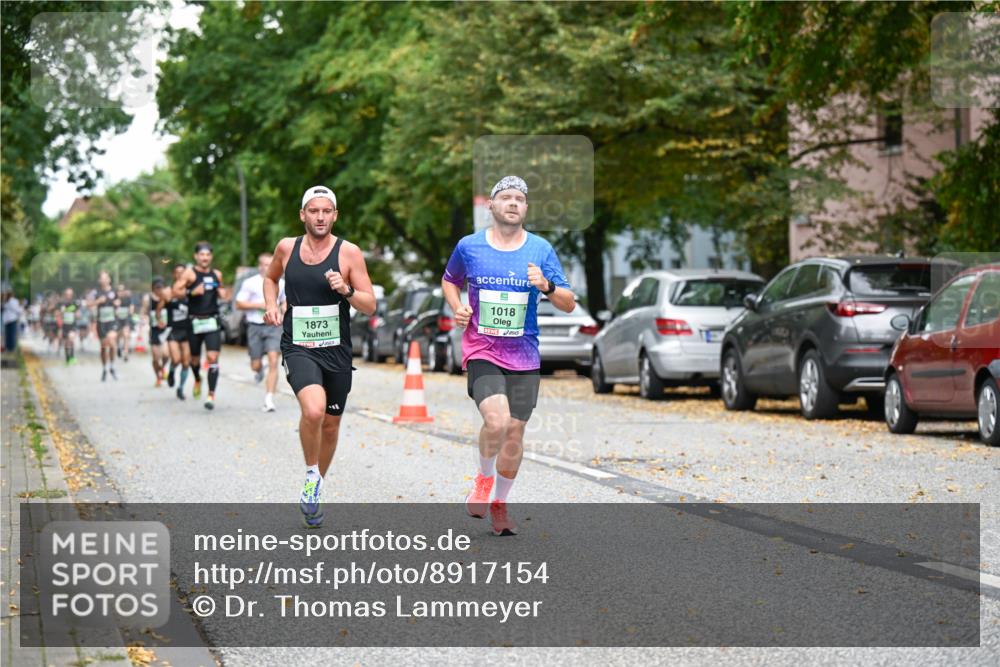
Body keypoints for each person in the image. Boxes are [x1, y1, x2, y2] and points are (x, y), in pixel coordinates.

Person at [441, 175, 575, 536]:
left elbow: (568, 303)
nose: (513, 203)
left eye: (520, 198)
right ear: (492, 205)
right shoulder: (469, 246)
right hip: (482, 350)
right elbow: (450, 280)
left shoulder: (541, 250)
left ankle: (500, 504)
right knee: (497, 421)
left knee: (514, 433)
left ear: (526, 208)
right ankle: (484, 479)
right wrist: (457, 307)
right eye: (506, 197)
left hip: (525, 357)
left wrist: (546, 285)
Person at [263, 185, 377, 528]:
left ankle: (315, 485)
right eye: (314, 210)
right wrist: (271, 304)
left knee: (330, 424)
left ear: (335, 215)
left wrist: (347, 290)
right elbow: (270, 279)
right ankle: (311, 472)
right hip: (298, 345)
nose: (320, 217)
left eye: (327, 211)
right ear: (303, 215)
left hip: (337, 350)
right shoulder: (287, 247)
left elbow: (370, 304)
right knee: (313, 410)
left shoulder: (349, 253)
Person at [173, 243, 229, 410]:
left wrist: (222, 293)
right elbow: (175, 291)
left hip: (212, 321)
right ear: (196, 256)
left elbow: (222, 292)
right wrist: (191, 292)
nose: (205, 258)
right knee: (194, 360)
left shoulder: (216, 274)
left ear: (211, 257)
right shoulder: (189, 273)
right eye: (202, 255)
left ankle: (211, 395)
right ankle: (197, 378)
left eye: (207, 255)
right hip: (194, 322)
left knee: (212, 357)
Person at [236, 252, 286, 412]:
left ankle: (269, 399)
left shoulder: (282, 283)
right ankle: (258, 370)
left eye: (270, 264)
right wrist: (259, 305)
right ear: (259, 266)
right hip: (255, 326)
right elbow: (238, 304)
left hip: (274, 326)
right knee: (255, 364)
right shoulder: (250, 283)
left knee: (273, 360)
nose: (267, 267)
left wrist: (284, 310)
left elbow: (284, 301)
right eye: (264, 264)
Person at [165, 264, 193, 400]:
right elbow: (163, 302)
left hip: (187, 331)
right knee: (176, 360)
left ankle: (181, 388)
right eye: (178, 272)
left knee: (186, 363)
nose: (180, 275)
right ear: (174, 275)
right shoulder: (169, 291)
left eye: (183, 272)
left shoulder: (190, 292)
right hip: (173, 330)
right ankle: (171, 371)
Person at [92, 271, 120, 381]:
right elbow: (88, 304)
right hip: (101, 322)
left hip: (112, 321)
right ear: (99, 280)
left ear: (109, 279)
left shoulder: (114, 291)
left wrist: (118, 303)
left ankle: (112, 366)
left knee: (111, 341)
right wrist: (98, 301)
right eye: (102, 278)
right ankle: (104, 368)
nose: (104, 280)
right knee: (104, 347)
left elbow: (119, 302)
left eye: (105, 278)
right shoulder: (96, 292)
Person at [148, 278, 170, 387]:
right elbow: (143, 312)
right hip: (154, 331)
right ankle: (158, 377)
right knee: (156, 358)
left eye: (161, 288)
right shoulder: (148, 300)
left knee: (166, 354)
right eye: (157, 288)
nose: (159, 290)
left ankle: (162, 369)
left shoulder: (167, 298)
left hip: (165, 331)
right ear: (153, 289)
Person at [58, 287, 81, 365]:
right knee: (66, 343)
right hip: (64, 325)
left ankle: (72, 357)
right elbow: (58, 315)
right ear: (65, 295)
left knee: (71, 339)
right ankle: (67, 358)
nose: (68, 296)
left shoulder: (75, 303)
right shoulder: (61, 303)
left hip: (72, 325)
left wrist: (77, 314)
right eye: (67, 294)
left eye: (70, 294)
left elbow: (78, 315)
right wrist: (62, 312)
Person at [115, 282, 134, 362]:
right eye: (119, 291)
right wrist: (116, 306)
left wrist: (131, 310)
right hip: (117, 320)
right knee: (118, 335)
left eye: (122, 290)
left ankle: (126, 354)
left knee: (126, 335)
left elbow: (131, 308)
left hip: (126, 319)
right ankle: (118, 347)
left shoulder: (128, 298)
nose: (120, 292)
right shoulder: (114, 299)